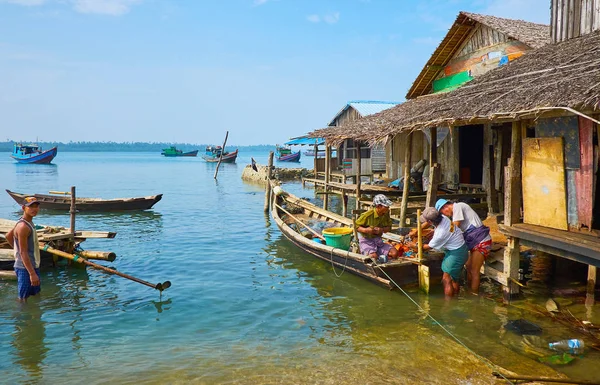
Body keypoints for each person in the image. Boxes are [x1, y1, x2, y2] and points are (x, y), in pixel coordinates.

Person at [410, 207, 468, 299]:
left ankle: (448, 302)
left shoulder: (440, 233)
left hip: (456, 253)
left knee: (446, 279)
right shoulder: (443, 218)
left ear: (431, 221)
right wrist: (417, 231)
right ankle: (455, 297)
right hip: (460, 249)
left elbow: (426, 248)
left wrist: (413, 245)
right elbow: (427, 224)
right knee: (453, 279)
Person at [436, 199, 492, 294]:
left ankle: (474, 295)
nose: (446, 215)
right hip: (475, 241)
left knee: (474, 271)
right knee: (469, 266)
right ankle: (471, 290)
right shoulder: (457, 211)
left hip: (481, 241)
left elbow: (455, 227)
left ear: (445, 207)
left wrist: (443, 236)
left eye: (444, 213)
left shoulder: (458, 206)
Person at [6, 196, 42, 302]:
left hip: (31, 265)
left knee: (35, 294)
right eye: (31, 207)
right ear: (23, 208)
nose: (34, 209)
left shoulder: (26, 222)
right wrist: (32, 274)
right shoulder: (23, 227)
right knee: (23, 299)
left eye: (36, 206)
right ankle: (21, 317)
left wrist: (17, 251)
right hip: (25, 268)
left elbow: (8, 236)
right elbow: (23, 251)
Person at [355, 194, 399, 262]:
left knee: (394, 253)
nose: (388, 208)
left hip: (378, 241)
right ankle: (374, 255)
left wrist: (382, 230)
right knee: (373, 257)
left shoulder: (386, 214)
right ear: (379, 206)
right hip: (366, 241)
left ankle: (381, 258)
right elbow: (355, 226)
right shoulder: (368, 215)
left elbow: (389, 228)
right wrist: (366, 230)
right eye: (386, 206)